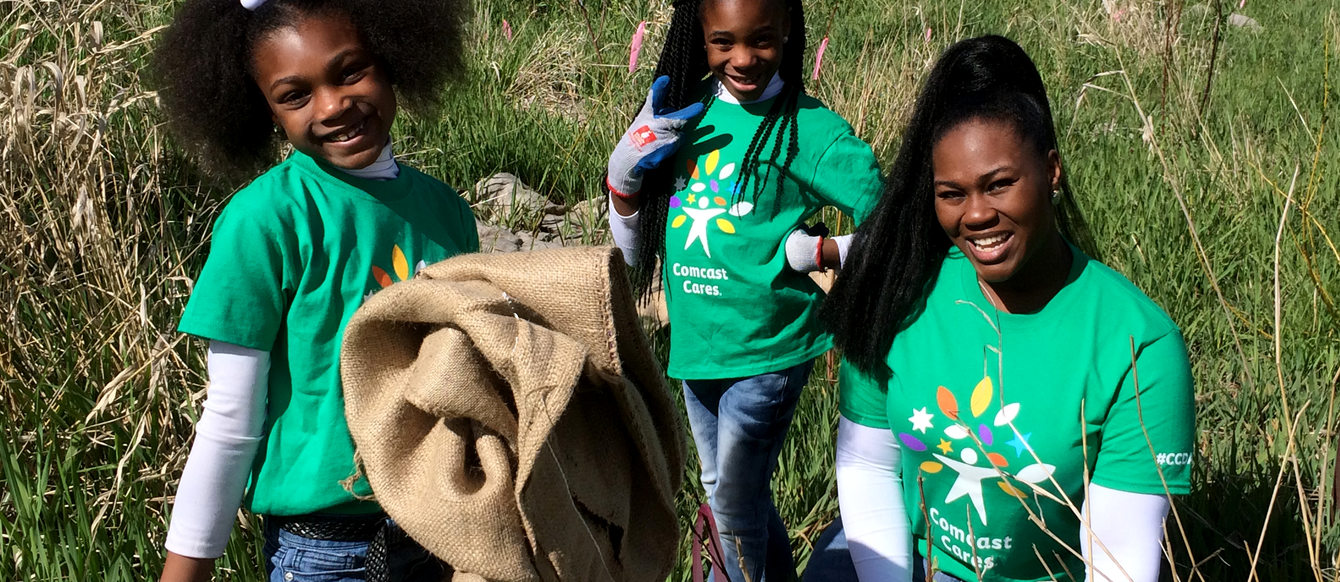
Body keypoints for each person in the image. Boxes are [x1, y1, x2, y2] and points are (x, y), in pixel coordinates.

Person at [811, 35, 1196, 582]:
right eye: (951, 193)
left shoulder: (1139, 348)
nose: (976, 215)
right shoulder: (894, 293)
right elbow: (867, 463)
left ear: (1052, 171)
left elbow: (1118, 565)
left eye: (1000, 185)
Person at [152, 0, 477, 580]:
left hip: (446, 533)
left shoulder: (448, 213)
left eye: (351, 71)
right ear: (264, 112)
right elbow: (231, 418)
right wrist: (186, 572)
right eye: (294, 95)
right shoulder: (264, 220)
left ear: (394, 57)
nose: (333, 106)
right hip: (328, 552)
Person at [604, 0, 883, 579]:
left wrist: (825, 253)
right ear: (698, 35)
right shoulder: (686, 113)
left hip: (771, 351)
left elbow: (897, 224)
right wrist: (623, 182)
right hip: (698, 348)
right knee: (734, 496)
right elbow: (634, 254)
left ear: (787, 28)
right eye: (723, 42)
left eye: (761, 40)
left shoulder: (809, 130)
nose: (743, 58)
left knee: (729, 504)